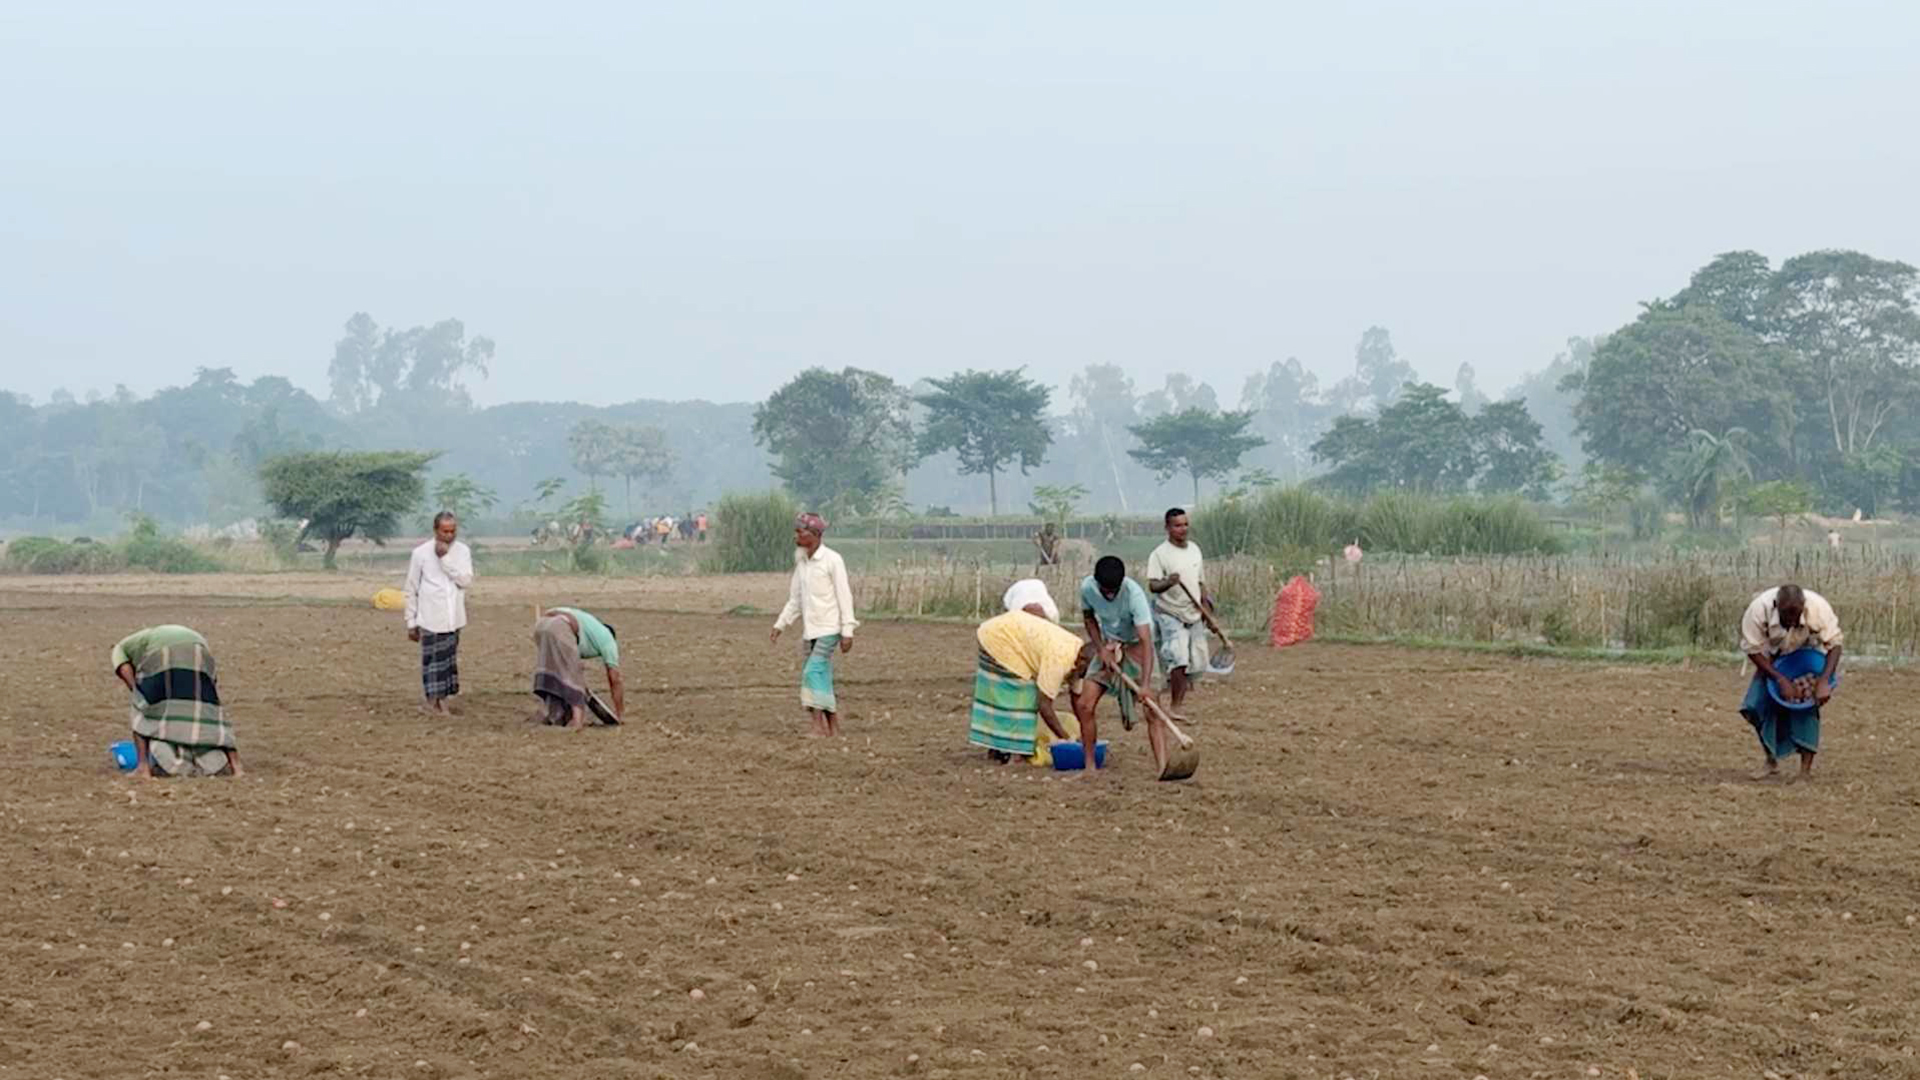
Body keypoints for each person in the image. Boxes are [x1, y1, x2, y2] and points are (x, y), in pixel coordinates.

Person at [970, 580, 1089, 764]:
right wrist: (1067, 738)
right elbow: (1044, 706)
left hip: (1003, 635)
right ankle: (1015, 753)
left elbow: (1078, 701)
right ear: (1082, 662)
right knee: (1024, 696)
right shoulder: (1061, 658)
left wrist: (1086, 734)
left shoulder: (1079, 659)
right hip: (997, 638)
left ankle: (1002, 749)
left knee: (1010, 698)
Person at [1072, 555, 1170, 773]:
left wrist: (1144, 684)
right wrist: (1100, 649)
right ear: (1096, 583)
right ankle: (1089, 766)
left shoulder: (1133, 594)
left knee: (1152, 708)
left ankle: (1163, 768)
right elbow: (1089, 619)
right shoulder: (1087, 588)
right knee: (1084, 705)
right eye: (1105, 590)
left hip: (1137, 648)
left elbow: (1146, 641)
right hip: (1109, 647)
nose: (1109, 594)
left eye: (1113, 590)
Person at [1740, 583, 1844, 783]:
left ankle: (1805, 771)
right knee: (1754, 705)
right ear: (1775, 606)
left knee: (1806, 709)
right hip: (1770, 657)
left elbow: (1835, 644)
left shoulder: (1818, 608)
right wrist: (1779, 678)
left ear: (1803, 606)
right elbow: (1752, 649)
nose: (1790, 621)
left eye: (1795, 616)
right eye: (1785, 616)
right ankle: (1771, 760)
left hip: (1806, 655)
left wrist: (1823, 681)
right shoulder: (1757, 611)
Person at [111, 625, 240, 778]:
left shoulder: (120, 649)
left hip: (162, 650)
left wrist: (136, 691)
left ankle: (142, 767)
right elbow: (212, 679)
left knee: (142, 711)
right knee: (208, 710)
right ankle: (237, 766)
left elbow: (123, 668)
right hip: (200, 648)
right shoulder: (145, 638)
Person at [771, 512, 857, 736]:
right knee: (821, 677)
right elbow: (796, 600)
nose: (796, 536)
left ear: (816, 535)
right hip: (811, 630)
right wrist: (781, 624)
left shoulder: (832, 560)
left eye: (801, 532)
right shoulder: (802, 564)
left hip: (829, 628)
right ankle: (834, 727)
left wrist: (848, 631)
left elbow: (844, 596)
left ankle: (817, 727)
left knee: (812, 672)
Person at [404, 512, 474, 715]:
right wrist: (410, 621)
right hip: (429, 618)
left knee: (447, 662)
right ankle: (433, 702)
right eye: (445, 531)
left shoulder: (462, 552)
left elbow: (465, 581)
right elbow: (411, 588)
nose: (449, 535)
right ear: (436, 530)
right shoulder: (421, 553)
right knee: (432, 662)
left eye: (453, 531)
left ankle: (442, 702)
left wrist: (445, 560)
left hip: (454, 619)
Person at [1146, 507, 1212, 718]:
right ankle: (1175, 706)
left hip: (1193, 612)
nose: (1182, 529)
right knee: (1179, 657)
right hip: (1170, 612)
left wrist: (1206, 605)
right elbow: (1153, 586)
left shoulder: (1194, 550)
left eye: (1185, 524)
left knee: (1199, 661)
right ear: (1167, 528)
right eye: (1177, 525)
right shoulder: (1159, 554)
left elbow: (1200, 581)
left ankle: (1174, 683)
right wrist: (1169, 582)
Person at [530, 607, 625, 729]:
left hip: (541, 625)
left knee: (553, 672)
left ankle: (555, 716)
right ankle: (577, 721)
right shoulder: (608, 639)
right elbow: (615, 678)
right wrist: (619, 713)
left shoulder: (590, 628)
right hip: (561, 625)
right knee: (575, 677)